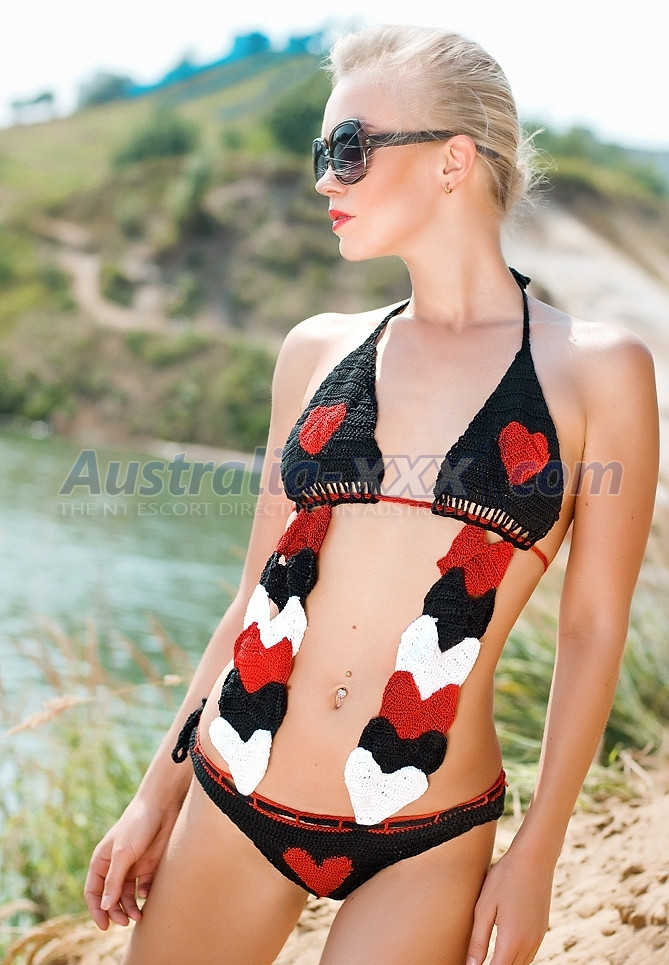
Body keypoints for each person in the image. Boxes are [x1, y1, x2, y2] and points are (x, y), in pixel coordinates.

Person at [85, 23, 659, 965]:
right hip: (236, 787)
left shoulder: (599, 371)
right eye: (322, 154)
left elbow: (593, 629)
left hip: (428, 835)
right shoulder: (316, 349)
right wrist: (159, 790)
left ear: (452, 161)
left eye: (348, 149)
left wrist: (536, 853)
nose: (325, 180)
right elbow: (252, 597)